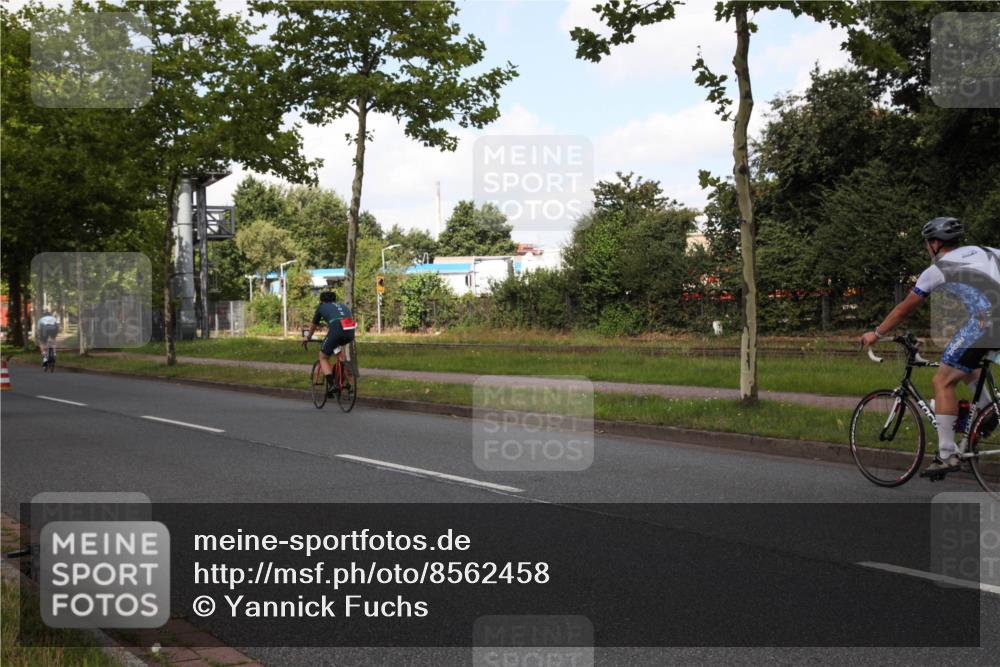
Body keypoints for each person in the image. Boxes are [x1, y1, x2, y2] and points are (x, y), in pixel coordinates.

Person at [861, 217, 1000, 474]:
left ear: (935, 243)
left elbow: (904, 309)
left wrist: (876, 334)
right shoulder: (988, 251)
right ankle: (986, 411)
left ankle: (946, 455)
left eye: (927, 243)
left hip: (989, 322)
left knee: (942, 381)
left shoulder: (937, 269)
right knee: (961, 363)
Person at [302, 291, 356, 393]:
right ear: (334, 300)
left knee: (323, 357)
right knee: (340, 357)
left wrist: (308, 337)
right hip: (350, 332)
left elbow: (314, 325)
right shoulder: (343, 306)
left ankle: (332, 386)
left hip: (336, 331)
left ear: (321, 301)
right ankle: (350, 383)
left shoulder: (321, 307)